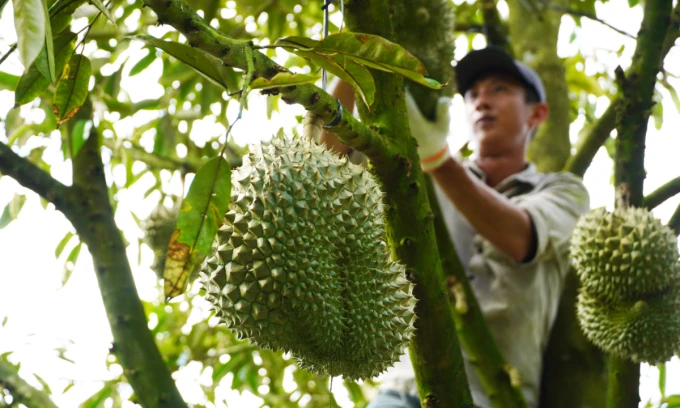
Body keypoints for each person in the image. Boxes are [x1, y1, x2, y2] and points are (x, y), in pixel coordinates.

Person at [319, 46, 590, 408]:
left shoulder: (563, 191)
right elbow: (328, 162)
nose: (482, 102)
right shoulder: (422, 174)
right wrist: (355, 55)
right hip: (404, 391)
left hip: (497, 398)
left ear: (537, 113)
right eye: (473, 94)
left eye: (499, 90)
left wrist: (437, 158)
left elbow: (522, 237)